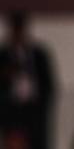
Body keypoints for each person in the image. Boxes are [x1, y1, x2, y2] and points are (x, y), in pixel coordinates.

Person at [0, 12, 57, 149]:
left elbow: (48, 83)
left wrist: (42, 106)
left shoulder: (39, 54)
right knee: (13, 142)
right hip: (11, 110)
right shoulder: (3, 55)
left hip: (35, 111)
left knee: (38, 142)